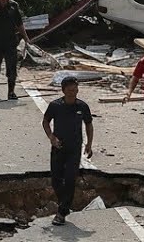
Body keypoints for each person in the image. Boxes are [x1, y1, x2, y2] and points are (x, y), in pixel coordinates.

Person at [42, 76, 93, 226]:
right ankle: (64, 204)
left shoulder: (82, 106)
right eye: (70, 90)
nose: (73, 93)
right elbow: (45, 121)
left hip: (75, 148)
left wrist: (89, 144)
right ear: (63, 90)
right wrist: (51, 137)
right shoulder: (55, 105)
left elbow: (89, 125)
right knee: (56, 180)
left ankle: (62, 212)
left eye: (75, 90)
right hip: (58, 147)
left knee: (70, 179)